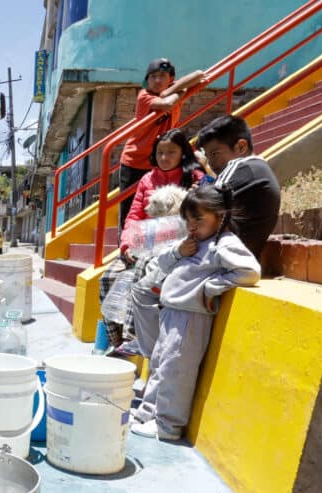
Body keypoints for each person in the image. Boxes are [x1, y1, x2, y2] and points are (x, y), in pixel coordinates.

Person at [130, 184, 261, 441]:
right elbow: (159, 264)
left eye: (199, 219)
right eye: (188, 220)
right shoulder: (193, 242)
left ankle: (167, 425)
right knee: (158, 364)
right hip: (172, 311)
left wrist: (210, 288)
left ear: (219, 216)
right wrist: (179, 252)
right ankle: (148, 412)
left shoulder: (222, 244)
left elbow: (249, 271)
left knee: (175, 370)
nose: (192, 226)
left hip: (190, 316)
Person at [99, 128, 204, 351]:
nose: (164, 158)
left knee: (141, 273)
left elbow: (205, 208)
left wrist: (199, 192)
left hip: (178, 246)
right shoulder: (147, 179)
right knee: (107, 277)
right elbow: (134, 215)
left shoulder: (195, 177)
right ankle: (115, 342)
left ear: (183, 153)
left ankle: (131, 337)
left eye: (171, 152)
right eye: (160, 153)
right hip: (144, 243)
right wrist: (126, 244)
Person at [118, 58, 206, 229]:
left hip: (162, 161)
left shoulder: (172, 90)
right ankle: (126, 248)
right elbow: (166, 104)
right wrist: (178, 92)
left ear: (170, 78)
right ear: (147, 80)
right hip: (135, 161)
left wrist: (171, 90)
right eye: (153, 76)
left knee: (162, 208)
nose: (158, 80)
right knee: (131, 210)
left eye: (162, 76)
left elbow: (199, 74)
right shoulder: (144, 96)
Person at [196, 115, 281, 259]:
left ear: (241, 147)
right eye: (208, 157)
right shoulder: (257, 170)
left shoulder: (240, 166)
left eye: (215, 154)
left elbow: (196, 210)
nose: (211, 163)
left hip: (216, 261)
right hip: (233, 260)